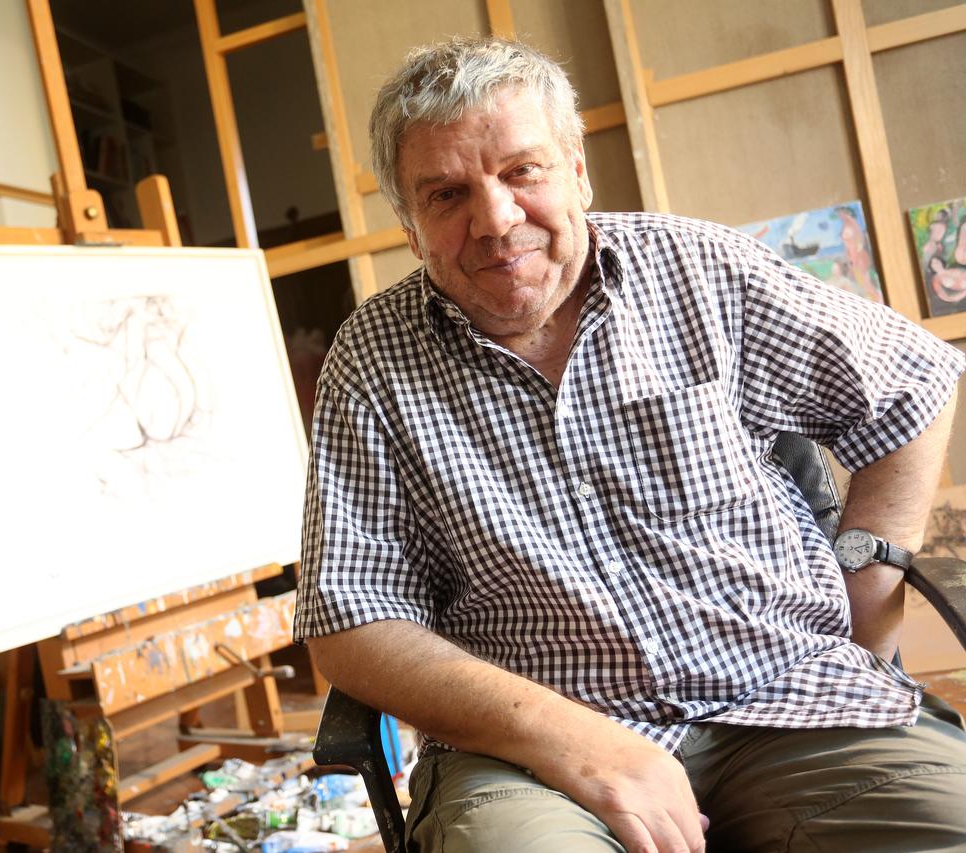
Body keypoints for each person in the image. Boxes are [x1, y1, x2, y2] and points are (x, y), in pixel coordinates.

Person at [293, 37, 966, 853]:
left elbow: (913, 381)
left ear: (576, 171)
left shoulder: (699, 269)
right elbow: (351, 618)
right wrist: (573, 737)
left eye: (522, 171)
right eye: (446, 193)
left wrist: (869, 570)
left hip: (790, 694)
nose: (496, 220)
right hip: (532, 753)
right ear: (410, 225)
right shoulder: (371, 361)